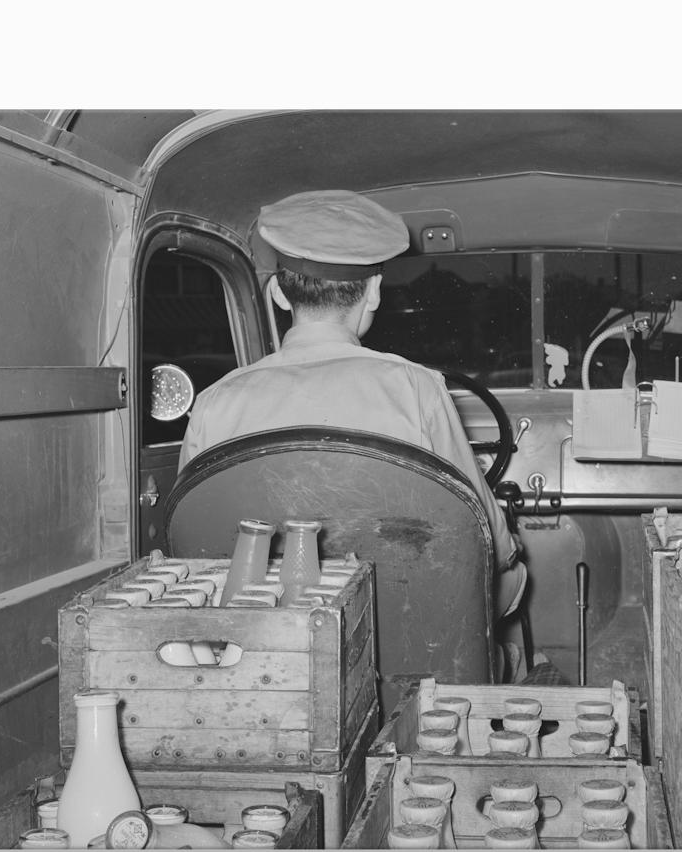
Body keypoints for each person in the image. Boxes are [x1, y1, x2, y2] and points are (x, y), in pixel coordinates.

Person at [178, 189, 527, 618]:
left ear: (279, 296)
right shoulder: (416, 389)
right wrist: (512, 557)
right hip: (405, 622)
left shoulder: (215, 403)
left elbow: (193, 546)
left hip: (263, 631)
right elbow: (483, 533)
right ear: (375, 291)